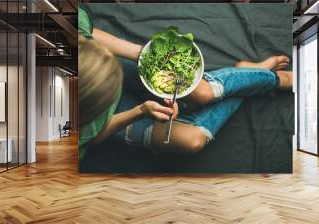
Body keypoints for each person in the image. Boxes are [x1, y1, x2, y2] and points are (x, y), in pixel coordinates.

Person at [78, 6, 293, 160]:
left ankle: (271, 80)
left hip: (113, 59)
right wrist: (140, 111)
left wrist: (144, 55)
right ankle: (244, 74)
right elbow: (93, 137)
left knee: (203, 93)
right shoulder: (79, 131)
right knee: (193, 140)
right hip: (115, 117)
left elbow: (88, 34)